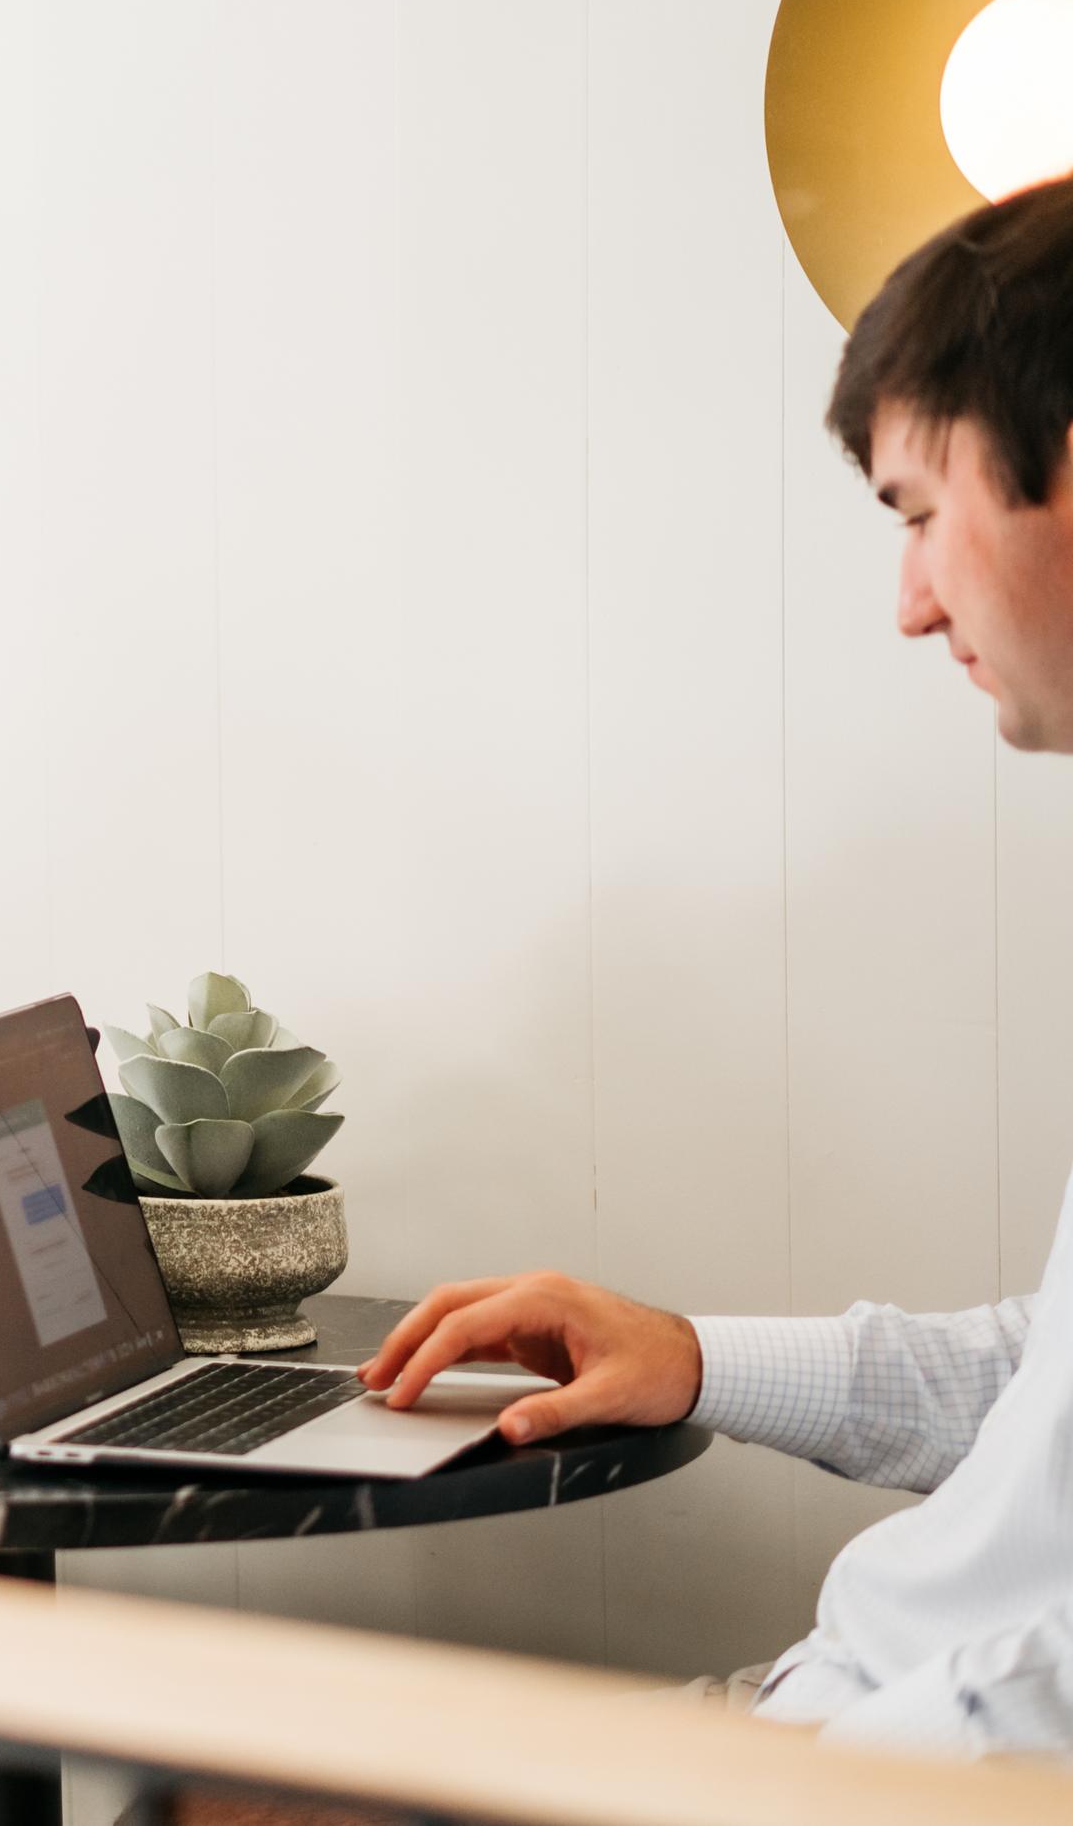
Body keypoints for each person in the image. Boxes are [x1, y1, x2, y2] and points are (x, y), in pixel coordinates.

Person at [363, 178, 1073, 1760]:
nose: (906, 606)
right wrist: (687, 1357)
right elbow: (1049, 1395)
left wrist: (785, 1777)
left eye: (916, 515)